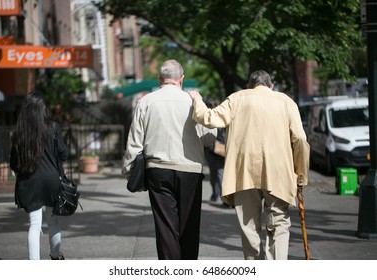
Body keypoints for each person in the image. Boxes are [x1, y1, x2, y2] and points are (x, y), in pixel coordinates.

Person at [188, 70, 310, 260]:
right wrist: (300, 176)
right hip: (278, 173)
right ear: (271, 86)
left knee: (249, 227)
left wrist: (197, 99)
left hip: (243, 172)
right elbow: (301, 140)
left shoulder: (236, 99)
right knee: (279, 225)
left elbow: (209, 118)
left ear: (248, 86)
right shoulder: (286, 102)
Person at [121, 59, 217, 260]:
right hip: (190, 169)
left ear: (160, 79)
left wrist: (130, 171)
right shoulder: (193, 102)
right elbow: (209, 138)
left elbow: (135, 141)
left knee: (165, 226)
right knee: (189, 225)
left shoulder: (146, 101)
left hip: (158, 169)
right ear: (181, 79)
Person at [10, 90, 68, 260]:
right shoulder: (53, 127)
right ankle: (55, 255)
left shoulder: (19, 132)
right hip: (51, 181)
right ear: (44, 108)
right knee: (53, 221)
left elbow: (14, 163)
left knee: (34, 225)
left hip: (29, 182)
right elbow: (63, 154)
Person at [204, 127, 225, 202]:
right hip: (215, 148)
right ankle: (218, 194)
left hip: (217, 147)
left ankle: (218, 194)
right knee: (217, 172)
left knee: (217, 172)